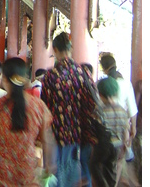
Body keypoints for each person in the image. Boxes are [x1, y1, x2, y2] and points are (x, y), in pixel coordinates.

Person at [0, 57, 53, 187]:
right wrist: (49, 165)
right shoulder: (39, 107)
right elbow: (46, 140)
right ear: (25, 79)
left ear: (5, 79)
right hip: (26, 173)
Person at [40, 32, 98, 187]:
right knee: (76, 169)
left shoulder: (50, 76)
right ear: (70, 49)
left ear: (55, 50)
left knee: (56, 171)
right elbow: (91, 102)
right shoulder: (83, 73)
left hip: (56, 132)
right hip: (79, 131)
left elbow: (43, 107)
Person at [99, 54, 138, 185]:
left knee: (103, 163)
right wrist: (133, 127)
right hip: (122, 128)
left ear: (104, 69)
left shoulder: (103, 84)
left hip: (105, 129)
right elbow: (132, 108)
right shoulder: (126, 84)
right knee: (119, 160)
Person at [89, 77, 130, 187]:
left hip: (104, 145)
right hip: (117, 145)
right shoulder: (122, 110)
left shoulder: (100, 110)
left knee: (94, 165)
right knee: (110, 170)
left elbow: (95, 131)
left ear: (100, 94)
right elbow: (125, 132)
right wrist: (124, 146)